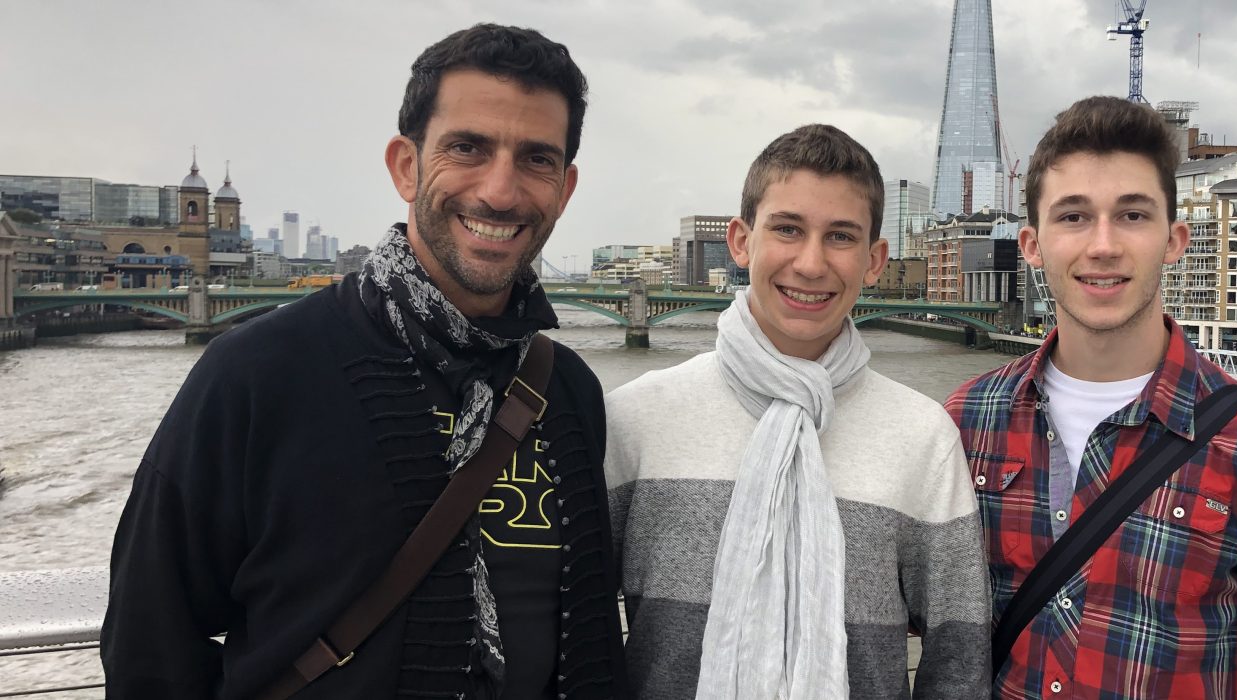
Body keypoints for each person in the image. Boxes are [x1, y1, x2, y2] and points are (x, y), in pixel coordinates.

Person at [101, 24, 627, 698]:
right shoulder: (258, 375)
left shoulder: (570, 391)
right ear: (406, 165)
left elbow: (589, 638)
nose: (500, 191)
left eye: (536, 158)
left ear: (565, 187)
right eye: (467, 147)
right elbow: (149, 641)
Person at [947, 96, 1237, 698]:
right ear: (1032, 245)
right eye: (1073, 216)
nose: (1103, 245)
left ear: (1174, 239)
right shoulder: (965, 422)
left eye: (1132, 215)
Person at [605, 124, 991, 698]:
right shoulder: (633, 419)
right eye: (787, 229)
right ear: (741, 241)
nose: (811, 264)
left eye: (840, 236)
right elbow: (575, 626)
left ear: (874, 260)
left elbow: (958, 653)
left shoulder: (922, 435)